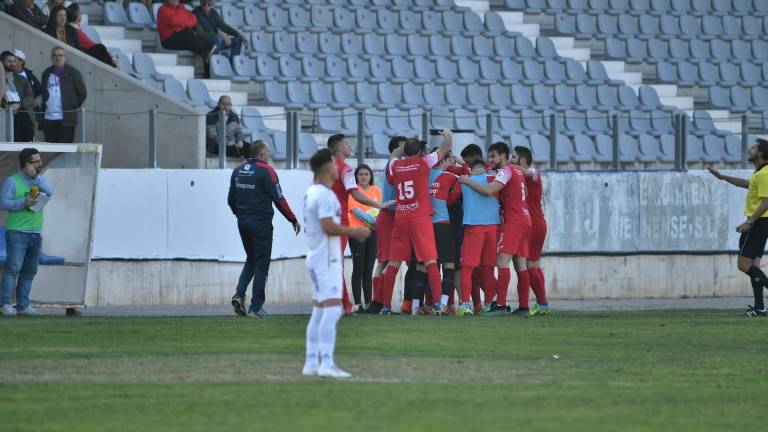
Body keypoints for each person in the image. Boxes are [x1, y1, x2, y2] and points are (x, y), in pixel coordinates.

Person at [302, 149, 370, 379]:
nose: (337, 166)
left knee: (320, 311)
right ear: (326, 168)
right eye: (333, 163)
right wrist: (355, 231)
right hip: (326, 258)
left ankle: (312, 362)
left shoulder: (313, 192)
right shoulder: (324, 195)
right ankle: (326, 363)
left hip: (317, 256)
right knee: (332, 311)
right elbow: (328, 226)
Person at [377, 131, 453, 315]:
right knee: (430, 261)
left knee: (394, 263)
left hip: (401, 218)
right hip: (420, 218)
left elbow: (393, 156)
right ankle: (437, 304)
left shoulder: (396, 165)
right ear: (420, 151)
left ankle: (386, 306)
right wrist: (447, 134)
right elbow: (445, 148)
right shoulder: (423, 162)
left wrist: (402, 148)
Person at [228, 141, 300, 318]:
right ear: (261, 155)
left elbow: (230, 199)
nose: (269, 156)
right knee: (262, 264)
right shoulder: (266, 170)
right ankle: (255, 307)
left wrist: (241, 215)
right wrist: (293, 219)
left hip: (243, 221)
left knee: (251, 259)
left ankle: (239, 294)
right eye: (268, 153)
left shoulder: (238, 170)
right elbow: (279, 198)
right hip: (260, 223)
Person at [460, 141, 532, 316]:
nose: (490, 160)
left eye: (493, 156)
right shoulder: (517, 171)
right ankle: (523, 307)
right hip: (525, 219)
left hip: (514, 221)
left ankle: (499, 306)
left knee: (501, 261)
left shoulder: (505, 171)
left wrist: (467, 180)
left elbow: (489, 190)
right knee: (520, 264)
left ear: (502, 156)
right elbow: (526, 193)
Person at [327, 134, 391, 315]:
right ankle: (347, 304)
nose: (349, 146)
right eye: (346, 144)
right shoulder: (345, 169)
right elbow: (355, 195)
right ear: (340, 148)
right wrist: (379, 205)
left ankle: (344, 304)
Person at [707, 139, 768, 317]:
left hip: (758, 222)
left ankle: (759, 307)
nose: (750, 149)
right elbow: (747, 184)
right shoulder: (761, 172)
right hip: (762, 222)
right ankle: (759, 308)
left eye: (754, 148)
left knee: (743, 265)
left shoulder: (764, 174)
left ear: (762, 153)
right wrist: (722, 177)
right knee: (754, 265)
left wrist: (749, 222)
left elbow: (766, 202)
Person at [0, 148, 54, 316]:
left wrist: (35, 178)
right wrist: (23, 202)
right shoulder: (12, 180)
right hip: (17, 232)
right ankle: (5, 304)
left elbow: (50, 192)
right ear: (26, 164)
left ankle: (23, 306)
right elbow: (3, 203)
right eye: (36, 161)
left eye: (39, 160)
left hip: (35, 232)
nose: (40, 163)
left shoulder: (39, 180)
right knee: (13, 269)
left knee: (30, 271)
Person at [456, 159, 499, 316]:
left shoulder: (464, 180)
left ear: (472, 170)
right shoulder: (494, 178)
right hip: (493, 227)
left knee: (467, 268)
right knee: (488, 268)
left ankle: (466, 304)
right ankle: (489, 303)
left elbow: (452, 198)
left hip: (474, 226)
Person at [367, 136, 405, 315]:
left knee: (384, 260)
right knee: (389, 260)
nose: (405, 149)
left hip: (390, 216)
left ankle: (378, 302)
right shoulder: (395, 166)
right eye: (402, 146)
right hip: (390, 216)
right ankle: (380, 302)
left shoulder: (394, 166)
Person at [512, 146, 550, 316]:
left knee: (530, 264)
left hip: (534, 224)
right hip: (532, 223)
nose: (510, 160)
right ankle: (540, 303)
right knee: (531, 264)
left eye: (513, 157)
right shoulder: (517, 175)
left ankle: (542, 304)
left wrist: (507, 165)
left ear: (521, 160)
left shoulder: (533, 173)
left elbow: (528, 173)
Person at [347, 164, 380, 312]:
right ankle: (358, 304)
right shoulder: (353, 192)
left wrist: (377, 221)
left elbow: (379, 209)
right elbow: (357, 212)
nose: (364, 177)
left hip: (373, 233)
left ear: (370, 176)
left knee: (369, 269)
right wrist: (373, 220)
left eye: (366, 174)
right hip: (357, 232)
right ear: (356, 177)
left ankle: (368, 302)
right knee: (358, 268)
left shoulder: (376, 190)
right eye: (360, 174)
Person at [157, 0, 216, 76]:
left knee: (206, 46)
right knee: (187, 32)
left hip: (181, 37)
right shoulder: (163, 9)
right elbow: (174, 21)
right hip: (168, 40)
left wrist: (180, 24)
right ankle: (205, 51)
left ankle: (207, 74)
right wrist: (184, 21)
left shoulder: (181, 8)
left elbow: (194, 19)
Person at [41, 46, 87, 143]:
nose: (57, 58)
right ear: (51, 58)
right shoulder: (46, 73)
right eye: (54, 55)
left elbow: (82, 93)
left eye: (60, 55)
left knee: (64, 150)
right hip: (49, 118)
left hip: (66, 119)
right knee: (50, 150)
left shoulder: (74, 73)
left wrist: (72, 106)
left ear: (65, 57)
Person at [1, 51, 36, 142]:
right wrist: (6, 106)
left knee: (26, 141)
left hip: (22, 111)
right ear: (2, 63)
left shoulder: (21, 79)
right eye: (9, 61)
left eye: (14, 61)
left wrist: (19, 104)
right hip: (5, 113)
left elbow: (30, 97)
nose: (12, 63)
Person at [12, 50, 44, 127]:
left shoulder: (29, 75)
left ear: (21, 62)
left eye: (14, 60)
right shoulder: (7, 75)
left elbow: (44, 91)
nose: (11, 63)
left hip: (28, 114)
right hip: (13, 113)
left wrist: (38, 99)